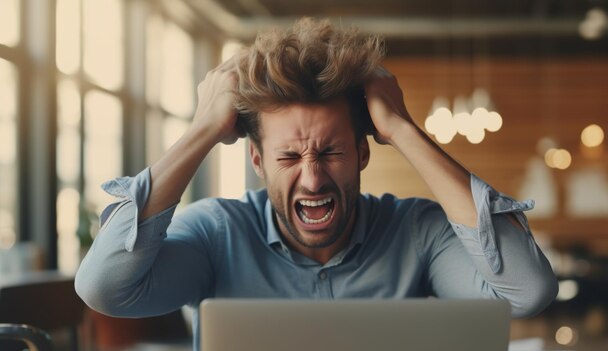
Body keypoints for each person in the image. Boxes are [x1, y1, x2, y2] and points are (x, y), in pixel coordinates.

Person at [75, 18, 558, 349]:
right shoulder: (216, 234)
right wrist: (203, 129)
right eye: (289, 156)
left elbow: (528, 291)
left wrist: (403, 129)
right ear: (258, 161)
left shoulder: (417, 232)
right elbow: (104, 288)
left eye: (331, 152)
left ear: (364, 151)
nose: (312, 178)